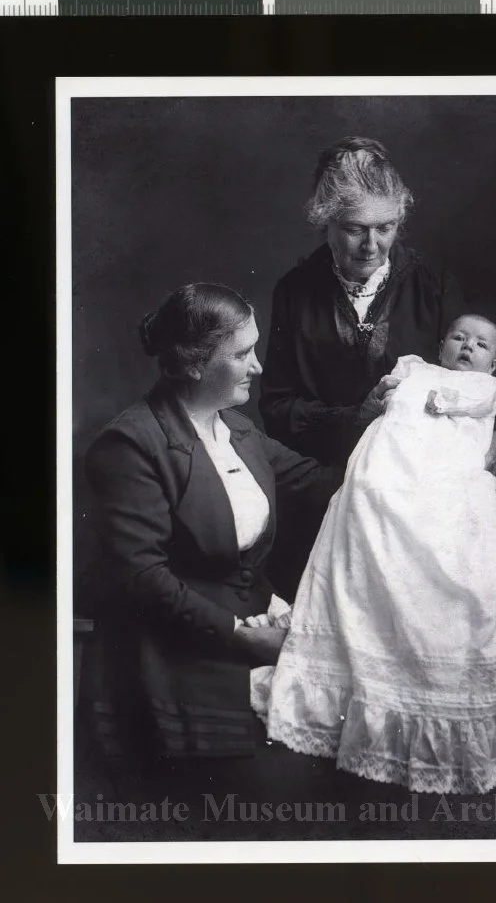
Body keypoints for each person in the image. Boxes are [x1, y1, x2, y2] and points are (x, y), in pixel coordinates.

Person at [251, 314, 496, 795]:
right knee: (369, 493)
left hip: (443, 473)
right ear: (441, 343)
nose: (466, 347)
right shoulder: (413, 366)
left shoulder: (486, 388)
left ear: (492, 363)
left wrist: (438, 398)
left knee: (450, 525)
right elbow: (389, 397)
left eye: (480, 344)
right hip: (391, 462)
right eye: (458, 337)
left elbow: (458, 403)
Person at [82, 283, 339, 762]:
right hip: (172, 658)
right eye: (243, 353)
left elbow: (325, 484)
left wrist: (410, 435)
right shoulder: (132, 444)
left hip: (258, 633)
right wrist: (243, 635)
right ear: (195, 363)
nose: (258, 366)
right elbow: (141, 577)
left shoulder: (238, 429)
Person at [259, 136, 496, 472]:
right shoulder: (294, 291)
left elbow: (482, 378)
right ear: (326, 222)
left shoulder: (433, 284)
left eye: (385, 228)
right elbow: (277, 407)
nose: (371, 245)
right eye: (354, 229)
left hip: (421, 470)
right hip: (328, 471)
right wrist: (354, 417)